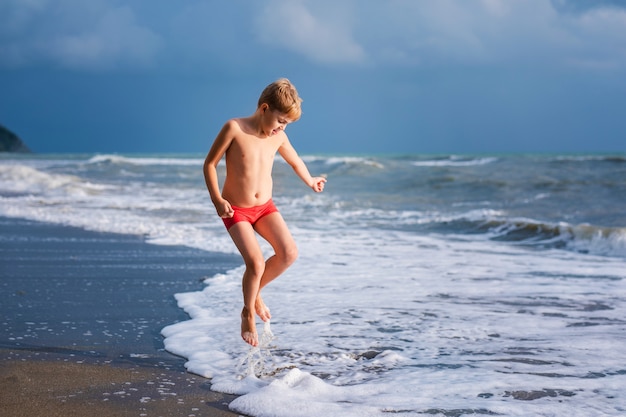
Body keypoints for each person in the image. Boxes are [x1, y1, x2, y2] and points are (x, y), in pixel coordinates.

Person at [203, 78, 327, 347]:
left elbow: (295, 160)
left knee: (289, 253)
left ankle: (255, 292)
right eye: (280, 121)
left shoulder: (278, 136)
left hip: (265, 207)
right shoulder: (234, 128)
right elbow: (210, 165)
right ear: (264, 108)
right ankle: (248, 312)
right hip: (235, 210)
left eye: (287, 125)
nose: (282, 128)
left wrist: (310, 180)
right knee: (256, 263)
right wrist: (216, 200)